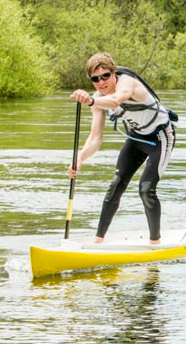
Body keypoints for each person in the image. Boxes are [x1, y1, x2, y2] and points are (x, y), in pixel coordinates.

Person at [68, 52, 175, 244]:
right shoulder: (98, 99)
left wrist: (92, 101)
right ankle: (98, 241)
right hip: (136, 138)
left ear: (114, 73)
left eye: (105, 76)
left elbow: (116, 100)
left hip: (160, 137)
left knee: (146, 189)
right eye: (95, 79)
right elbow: (95, 138)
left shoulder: (127, 83)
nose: (101, 82)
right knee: (116, 185)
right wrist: (80, 158)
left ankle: (155, 243)